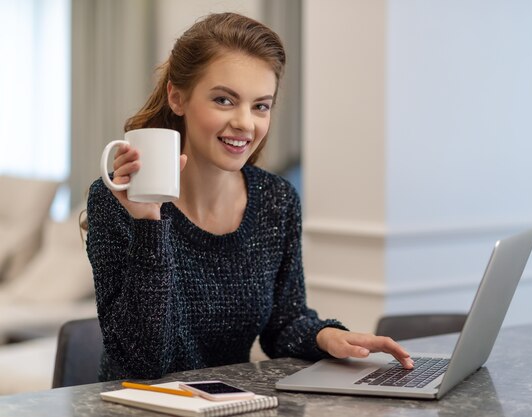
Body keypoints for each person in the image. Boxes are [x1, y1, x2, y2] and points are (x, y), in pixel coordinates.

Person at [86, 12, 413, 381]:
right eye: (224, 100)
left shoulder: (276, 199)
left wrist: (328, 336)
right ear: (177, 97)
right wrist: (149, 224)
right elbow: (144, 362)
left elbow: (283, 323)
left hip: (230, 403)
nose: (245, 122)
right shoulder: (114, 199)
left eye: (261, 105)